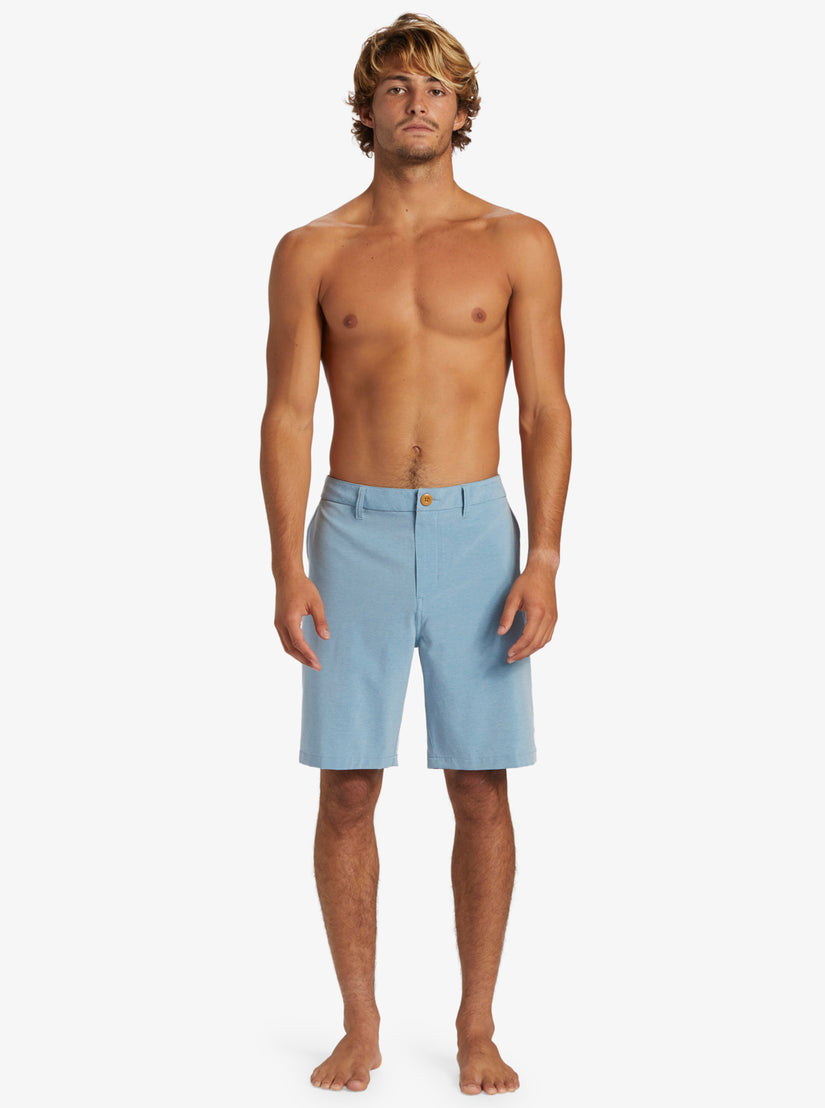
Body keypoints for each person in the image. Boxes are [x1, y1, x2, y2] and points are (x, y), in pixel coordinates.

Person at [260, 11, 571, 1096]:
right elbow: (287, 413)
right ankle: (361, 1024)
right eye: (396, 86)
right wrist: (284, 565)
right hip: (352, 532)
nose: (416, 103)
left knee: (480, 784)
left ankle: (477, 1026)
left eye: (436, 88)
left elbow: (545, 409)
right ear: (367, 108)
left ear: (463, 109)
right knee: (347, 786)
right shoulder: (311, 250)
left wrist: (545, 559)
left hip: (480, 532)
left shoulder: (517, 241)